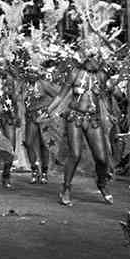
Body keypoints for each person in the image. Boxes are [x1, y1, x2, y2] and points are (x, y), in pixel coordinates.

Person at [47, 54, 115, 207]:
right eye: (94, 58)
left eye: (99, 58)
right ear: (86, 58)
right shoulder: (75, 73)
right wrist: (48, 110)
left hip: (93, 119)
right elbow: (60, 96)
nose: (97, 61)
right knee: (75, 154)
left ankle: (102, 183)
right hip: (75, 117)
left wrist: (111, 113)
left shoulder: (101, 75)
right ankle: (66, 188)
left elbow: (105, 97)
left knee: (102, 158)